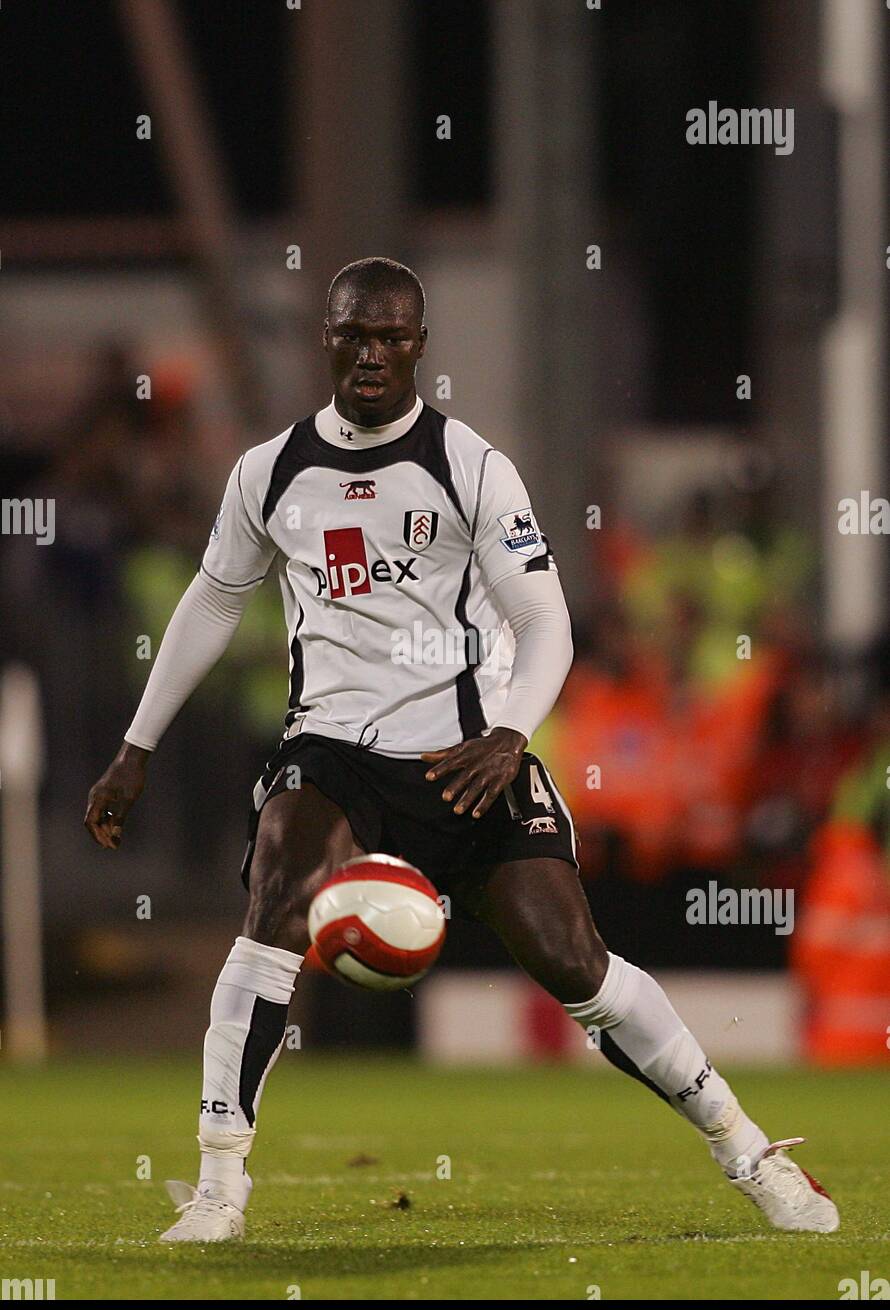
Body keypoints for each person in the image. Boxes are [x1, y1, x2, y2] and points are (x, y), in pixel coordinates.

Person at [85, 258, 838, 1242]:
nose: (370, 354)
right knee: (270, 904)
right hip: (335, 750)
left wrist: (508, 735)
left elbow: (545, 622)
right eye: (353, 333)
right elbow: (212, 599)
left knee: (576, 963)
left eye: (391, 338)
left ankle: (745, 1149)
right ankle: (221, 1184)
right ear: (327, 335)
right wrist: (135, 745)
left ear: (418, 346)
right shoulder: (267, 472)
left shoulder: (470, 465)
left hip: (467, 758)